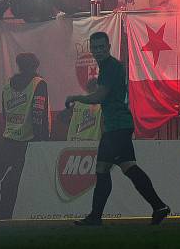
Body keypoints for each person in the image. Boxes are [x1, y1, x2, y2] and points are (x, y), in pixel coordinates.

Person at [65, 32, 169, 226]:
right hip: (117, 126)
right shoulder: (108, 67)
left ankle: (96, 217)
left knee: (105, 169)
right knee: (126, 167)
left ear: (108, 46)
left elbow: (99, 97)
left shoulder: (111, 67)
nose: (98, 51)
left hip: (117, 127)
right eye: (95, 47)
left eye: (101, 47)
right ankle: (158, 206)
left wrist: (74, 97)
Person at [1, 53, 50, 142]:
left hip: (9, 138)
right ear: (35, 66)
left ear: (19, 66)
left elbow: (5, 114)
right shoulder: (38, 84)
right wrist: (43, 139)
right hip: (31, 140)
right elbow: (38, 115)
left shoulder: (7, 86)